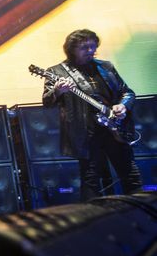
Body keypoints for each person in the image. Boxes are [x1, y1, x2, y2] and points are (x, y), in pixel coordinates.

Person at [42, 29, 143, 200]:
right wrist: (57, 91)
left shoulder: (106, 67)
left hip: (115, 130)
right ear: (71, 49)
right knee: (91, 180)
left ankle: (141, 215)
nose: (90, 51)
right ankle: (94, 219)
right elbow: (47, 102)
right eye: (84, 47)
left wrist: (122, 106)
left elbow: (128, 92)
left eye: (93, 47)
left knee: (131, 175)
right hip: (86, 134)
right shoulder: (57, 72)